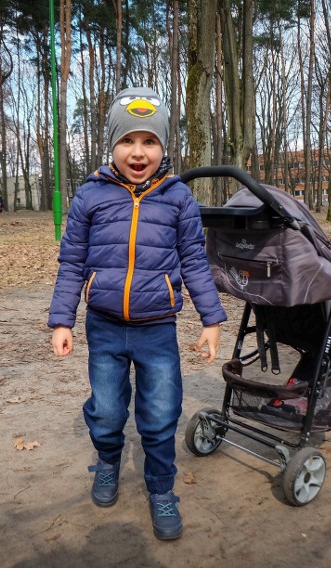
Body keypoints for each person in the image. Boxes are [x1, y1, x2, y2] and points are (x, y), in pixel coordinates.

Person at [48, 86, 226, 541]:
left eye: (150, 140)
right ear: (112, 145)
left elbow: (193, 260)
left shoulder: (178, 198)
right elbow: (71, 262)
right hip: (104, 327)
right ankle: (107, 462)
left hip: (157, 330)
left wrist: (211, 320)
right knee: (107, 412)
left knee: (162, 413)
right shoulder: (91, 196)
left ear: (164, 147)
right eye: (128, 140)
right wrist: (63, 320)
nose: (138, 151)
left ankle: (162, 488)